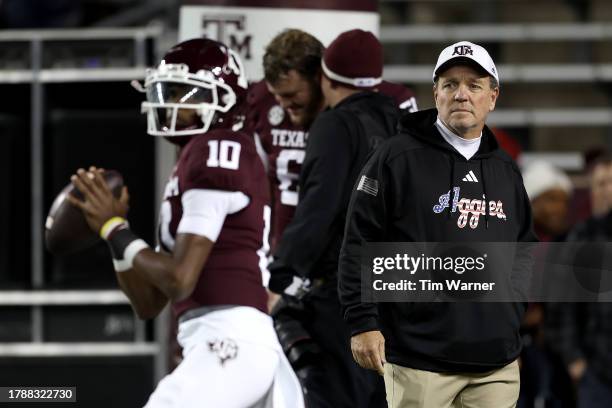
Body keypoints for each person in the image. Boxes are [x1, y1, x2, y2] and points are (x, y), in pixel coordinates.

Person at [67, 38, 303, 408]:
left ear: (222, 100)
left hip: (232, 338)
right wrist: (112, 234)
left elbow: (179, 279)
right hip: (219, 340)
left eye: (183, 93)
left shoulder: (216, 148)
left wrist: (115, 227)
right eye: (167, 91)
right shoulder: (192, 161)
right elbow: (149, 302)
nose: (170, 103)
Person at [339, 41, 537, 408]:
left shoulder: (505, 169)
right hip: (419, 359)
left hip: (495, 362)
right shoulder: (395, 156)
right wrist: (362, 321)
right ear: (436, 93)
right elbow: (359, 240)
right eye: (450, 84)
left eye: (474, 85)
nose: (461, 94)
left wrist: (509, 318)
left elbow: (524, 247)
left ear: (492, 97)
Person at [266, 29, 405, 408]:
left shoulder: (335, 124)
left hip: (342, 297)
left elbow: (319, 209)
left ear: (324, 78)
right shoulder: (402, 124)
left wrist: (280, 274)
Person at [247, 28, 418, 251]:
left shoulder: (384, 105)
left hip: (353, 249)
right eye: (275, 94)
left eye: (291, 94)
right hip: (285, 246)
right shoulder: (260, 100)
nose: (282, 104)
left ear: (322, 79)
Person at [545, 153, 612, 408]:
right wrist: (574, 360)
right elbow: (560, 304)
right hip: (596, 370)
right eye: (601, 184)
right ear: (591, 191)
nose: (608, 190)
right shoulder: (580, 238)